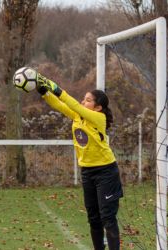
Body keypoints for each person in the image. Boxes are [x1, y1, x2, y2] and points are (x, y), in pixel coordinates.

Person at [16, 69, 123, 250]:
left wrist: (55, 87)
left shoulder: (99, 118)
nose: (83, 102)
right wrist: (43, 90)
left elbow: (73, 104)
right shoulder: (77, 115)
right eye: (84, 98)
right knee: (93, 218)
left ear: (98, 107)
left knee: (107, 217)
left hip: (106, 172)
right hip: (87, 172)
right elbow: (60, 105)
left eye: (88, 100)